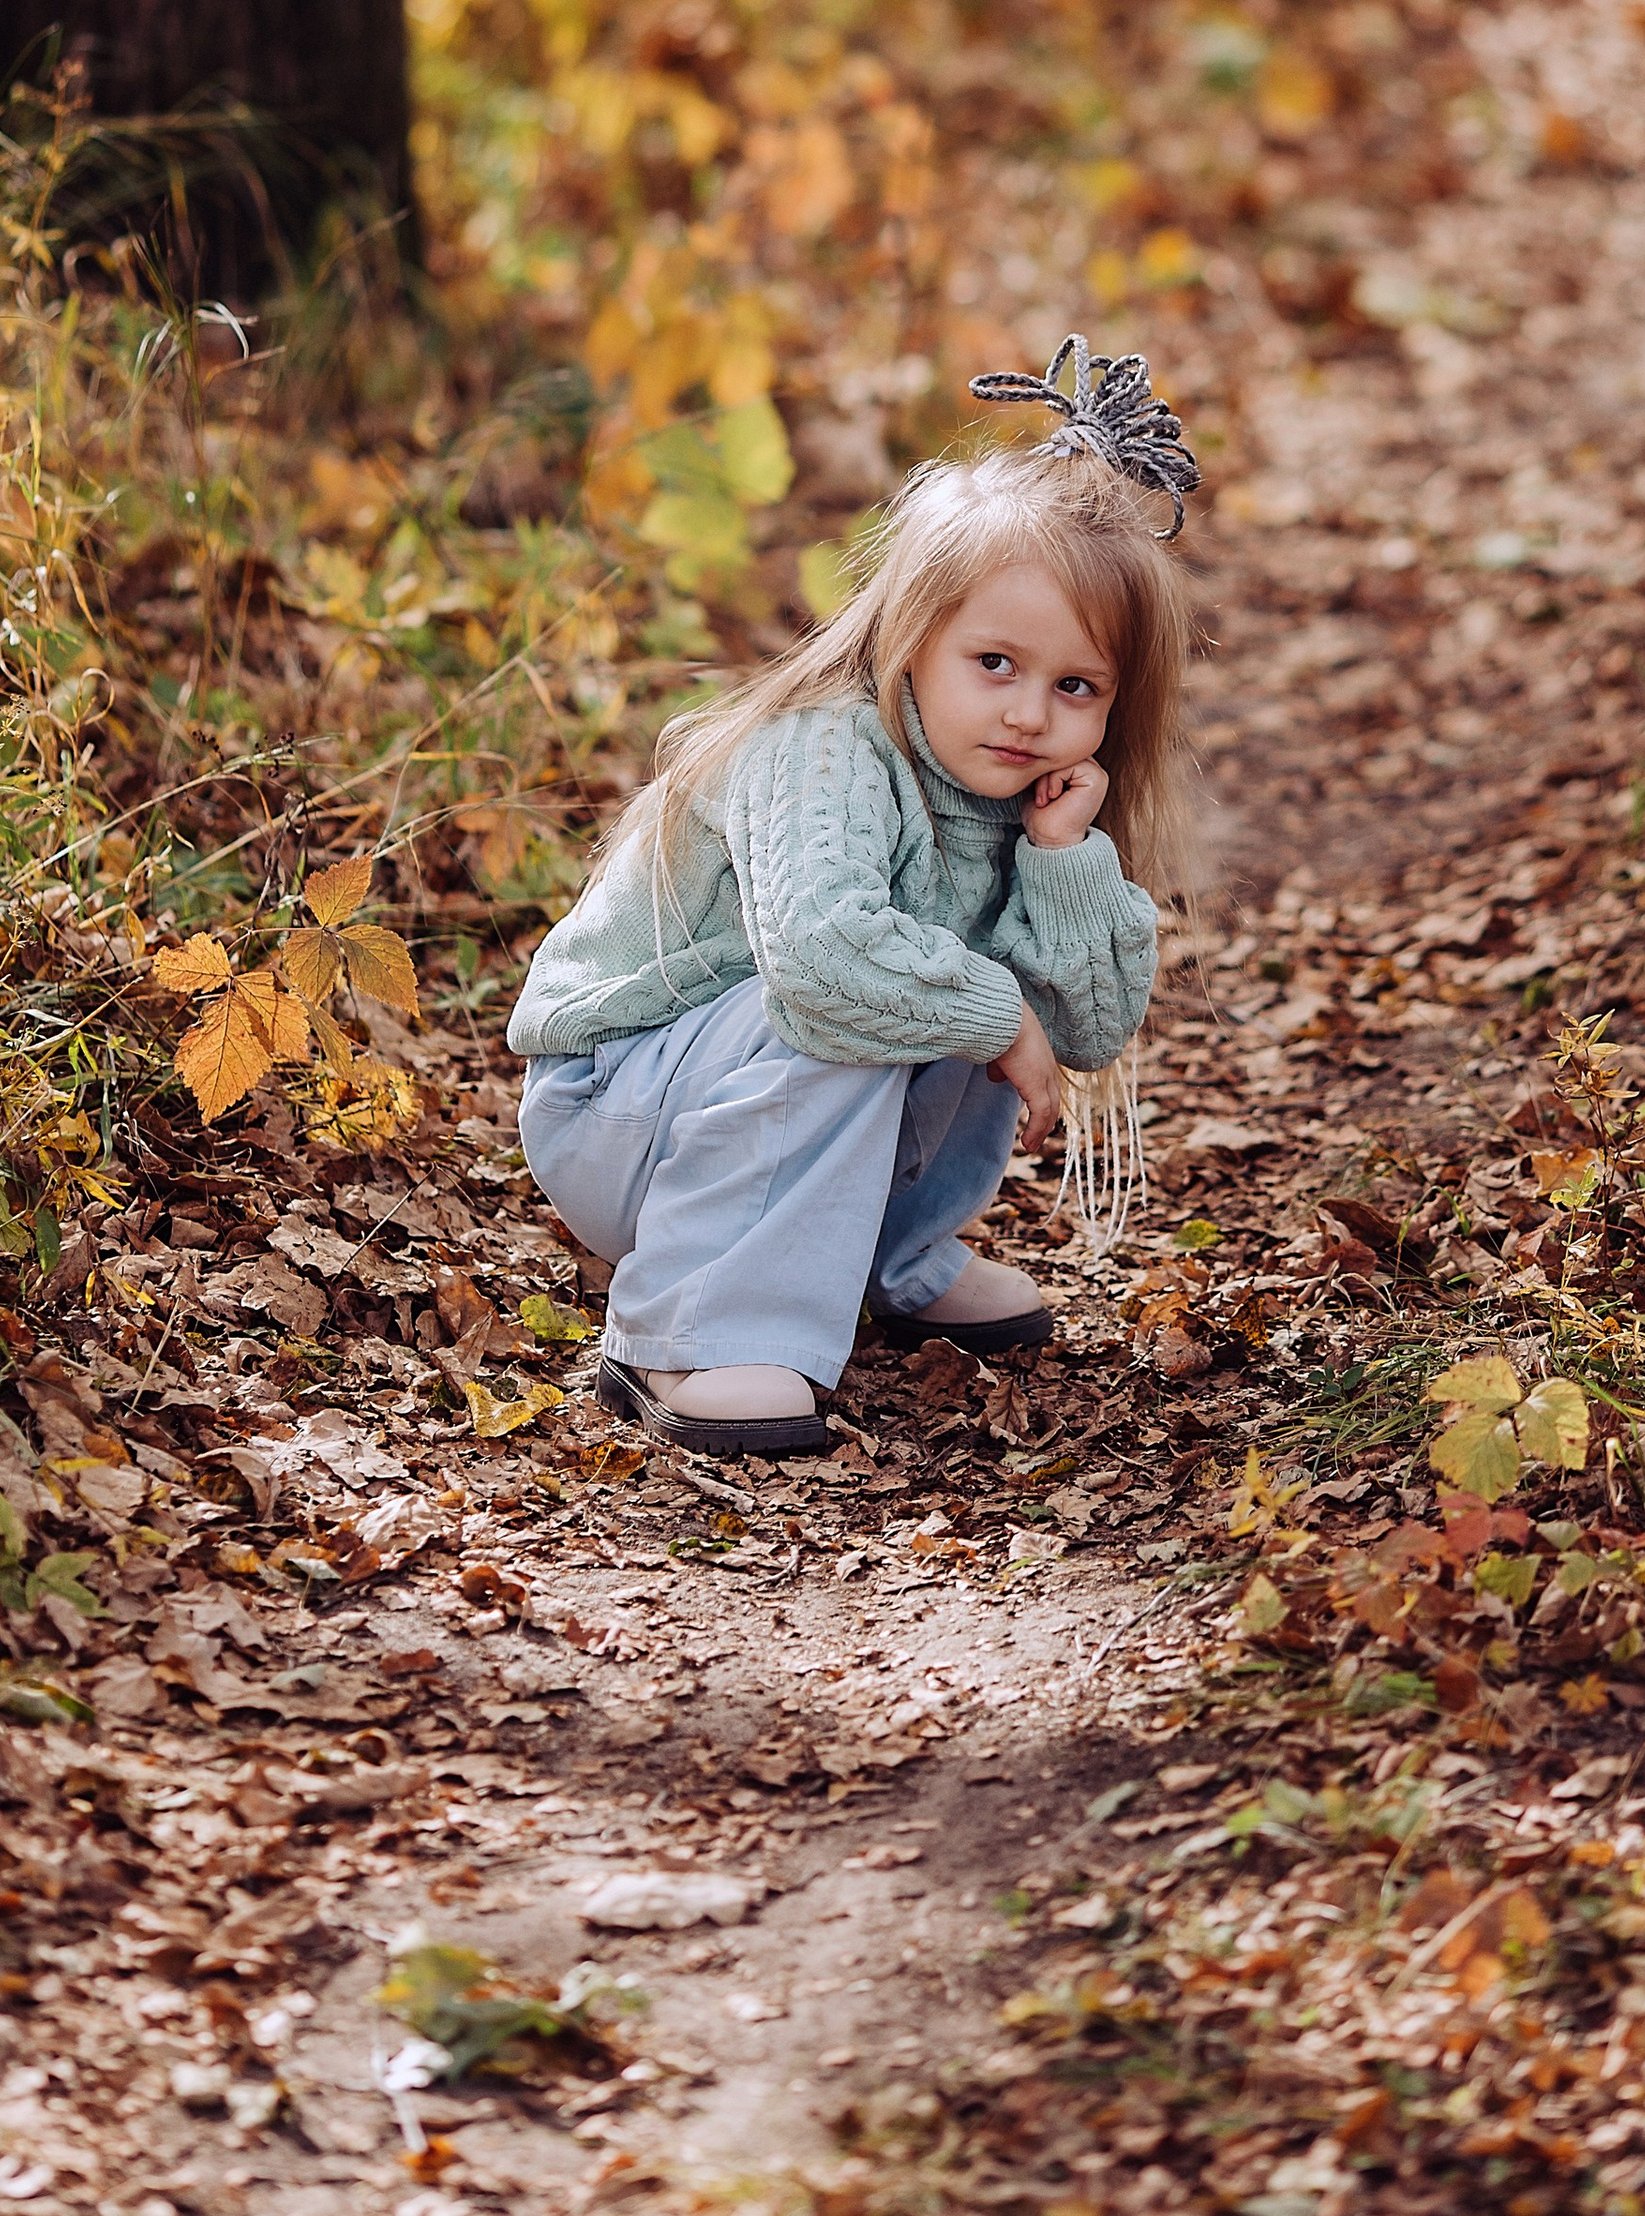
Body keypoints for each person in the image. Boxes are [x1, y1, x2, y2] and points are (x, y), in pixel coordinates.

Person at [508, 340, 1201, 1457]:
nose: (1029, 714)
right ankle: (685, 1330)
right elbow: (824, 961)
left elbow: (1087, 1028)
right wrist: (1000, 1016)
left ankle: (887, 1256)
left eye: (1074, 687)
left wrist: (1066, 863)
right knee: (876, 998)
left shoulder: (1031, 799)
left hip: (746, 1106)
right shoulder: (827, 750)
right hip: (622, 1106)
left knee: (968, 992)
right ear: (913, 635)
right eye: (995, 663)